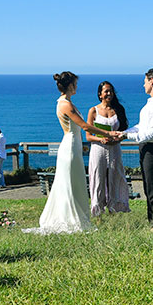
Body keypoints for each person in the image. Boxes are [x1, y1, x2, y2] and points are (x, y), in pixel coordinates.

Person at [23, 72, 118, 234]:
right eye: (75, 84)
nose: (77, 86)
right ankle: (68, 218)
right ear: (70, 85)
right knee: (68, 182)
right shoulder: (65, 105)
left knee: (74, 181)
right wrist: (108, 134)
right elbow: (85, 126)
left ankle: (75, 215)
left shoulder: (67, 102)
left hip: (74, 145)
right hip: (69, 146)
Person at [121, 68, 153, 227]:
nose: (143, 85)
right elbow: (142, 126)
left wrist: (127, 136)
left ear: (151, 81)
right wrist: (124, 133)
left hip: (152, 149)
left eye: (144, 82)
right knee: (149, 187)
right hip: (149, 149)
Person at [86, 81, 131, 216]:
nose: (109, 94)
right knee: (97, 178)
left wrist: (119, 138)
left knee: (116, 176)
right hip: (98, 148)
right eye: (106, 91)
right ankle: (98, 211)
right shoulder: (93, 110)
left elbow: (125, 131)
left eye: (111, 91)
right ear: (100, 94)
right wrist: (101, 139)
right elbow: (88, 136)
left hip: (115, 148)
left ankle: (114, 209)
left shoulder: (118, 110)